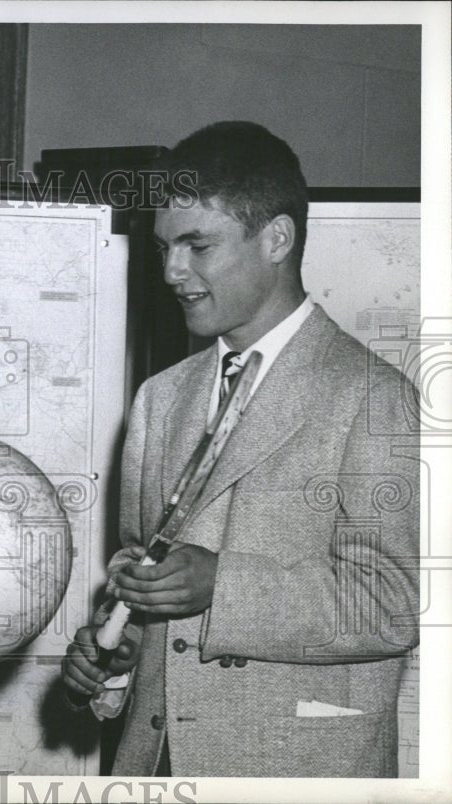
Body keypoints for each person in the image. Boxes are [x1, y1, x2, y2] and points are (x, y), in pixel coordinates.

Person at [62, 121, 419, 777]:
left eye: (198, 245)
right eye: (166, 247)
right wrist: (118, 651)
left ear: (276, 238)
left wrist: (219, 585)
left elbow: (390, 604)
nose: (172, 271)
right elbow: (146, 590)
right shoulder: (159, 400)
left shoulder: (372, 396)